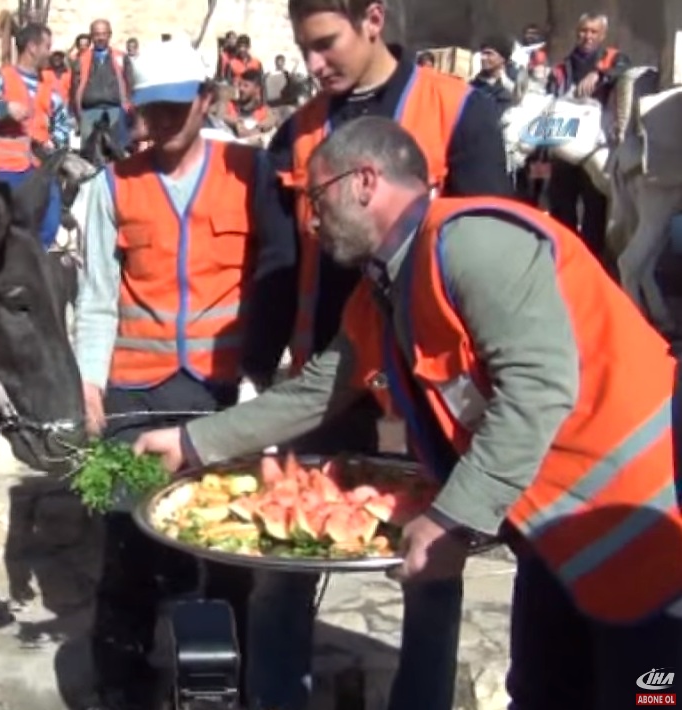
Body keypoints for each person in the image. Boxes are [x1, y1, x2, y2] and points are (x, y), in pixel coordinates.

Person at [135, 115, 682, 710]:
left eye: (317, 198)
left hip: (647, 528)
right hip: (556, 536)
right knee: (544, 694)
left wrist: (452, 518)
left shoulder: (473, 244)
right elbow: (316, 391)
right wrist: (191, 442)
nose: (311, 220)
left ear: (365, 181)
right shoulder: (385, 290)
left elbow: (537, 388)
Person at [241, 0, 514, 707]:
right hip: (328, 374)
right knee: (280, 557)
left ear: (373, 18)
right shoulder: (296, 132)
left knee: (431, 565)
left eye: (326, 43)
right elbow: (278, 261)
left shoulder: (459, 112)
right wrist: (255, 368)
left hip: (428, 381)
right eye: (303, 48)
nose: (313, 65)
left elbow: (496, 248)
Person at [74, 38, 260, 710]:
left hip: (220, 390)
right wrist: (89, 381)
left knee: (229, 543)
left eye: (175, 110)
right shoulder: (110, 186)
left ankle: (228, 677)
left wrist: (264, 380)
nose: (159, 124)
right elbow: (97, 296)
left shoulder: (248, 172)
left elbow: (272, 279)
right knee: (130, 542)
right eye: (149, 111)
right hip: (137, 390)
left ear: (206, 101)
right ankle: (121, 680)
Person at [0, 22, 73, 249]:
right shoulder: (1, 79)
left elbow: (63, 123)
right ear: (32, 47)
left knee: (49, 224)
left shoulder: (49, 87)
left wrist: (56, 143)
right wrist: (4, 109)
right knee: (9, 230)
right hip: (7, 169)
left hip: (41, 168)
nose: (49, 53)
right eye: (46, 46)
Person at [545, 13, 630, 267]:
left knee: (595, 209)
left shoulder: (613, 58)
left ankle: (591, 265)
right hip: (564, 148)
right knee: (562, 208)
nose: (587, 36)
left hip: (596, 148)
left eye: (594, 32)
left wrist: (599, 74)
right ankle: (564, 262)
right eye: (583, 31)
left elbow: (624, 68)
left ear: (602, 35)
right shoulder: (562, 68)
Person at [72, 19, 133, 150]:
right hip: (89, 112)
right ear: (91, 36)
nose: (100, 38)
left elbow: (130, 83)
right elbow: (74, 88)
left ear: (110, 35)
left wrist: (129, 108)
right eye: (96, 34)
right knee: (90, 153)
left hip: (116, 111)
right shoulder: (82, 60)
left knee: (118, 151)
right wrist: (78, 114)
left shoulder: (121, 57)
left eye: (104, 34)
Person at [218, 68, 279, 142]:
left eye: (246, 86)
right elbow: (220, 115)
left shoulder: (263, 110)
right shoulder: (229, 105)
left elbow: (272, 119)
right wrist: (237, 122)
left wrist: (258, 128)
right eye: (240, 85)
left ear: (257, 89)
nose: (241, 89)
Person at [470, 35, 517, 119]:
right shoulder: (473, 85)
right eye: (482, 53)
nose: (483, 58)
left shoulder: (512, 87)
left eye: (489, 53)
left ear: (502, 58)